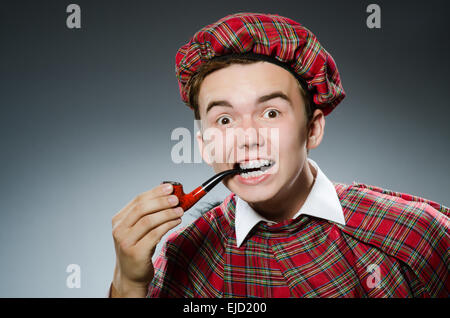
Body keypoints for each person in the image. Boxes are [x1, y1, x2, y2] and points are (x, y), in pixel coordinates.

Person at [109, 12, 449, 298]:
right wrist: (128, 283)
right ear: (205, 145)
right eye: (225, 120)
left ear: (313, 129)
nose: (247, 139)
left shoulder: (416, 235)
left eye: (270, 113)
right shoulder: (182, 258)